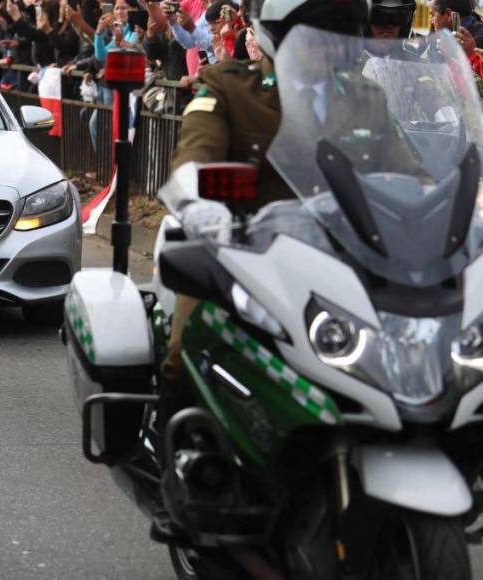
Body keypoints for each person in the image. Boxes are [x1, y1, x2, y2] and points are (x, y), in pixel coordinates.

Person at [158, 0, 386, 513]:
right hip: (247, 259)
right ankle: (179, 462)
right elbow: (194, 153)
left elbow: (411, 174)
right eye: (313, 31)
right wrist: (199, 201)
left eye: (337, 32)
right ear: (276, 32)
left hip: (348, 265)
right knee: (186, 346)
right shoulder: (229, 87)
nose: (327, 45)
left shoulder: (367, 97)